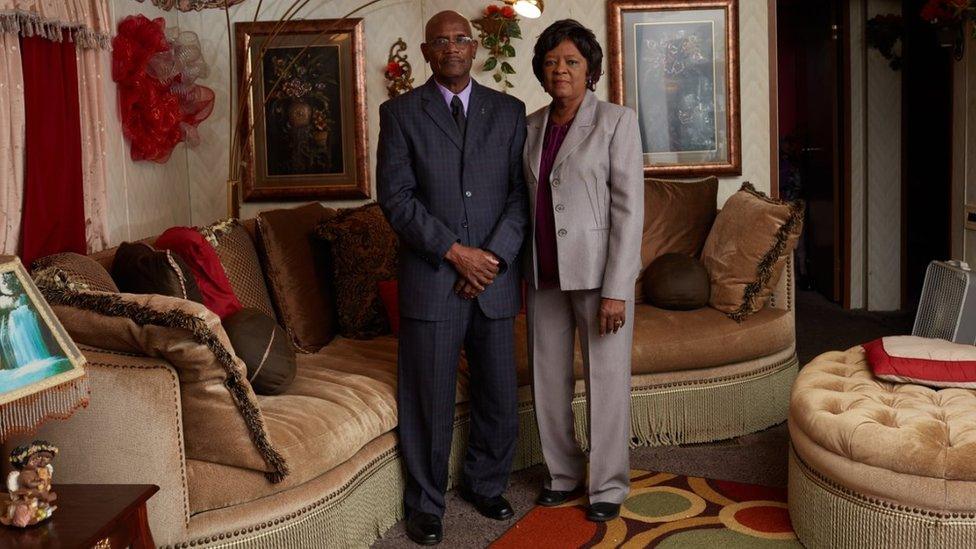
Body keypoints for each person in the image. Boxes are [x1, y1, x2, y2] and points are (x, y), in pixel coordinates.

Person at [376, 10, 528, 546]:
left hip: (495, 277)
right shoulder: (399, 114)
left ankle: (485, 484)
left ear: (475, 47)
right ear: (426, 52)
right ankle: (425, 504)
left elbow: (520, 195)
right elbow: (395, 198)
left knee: (498, 393)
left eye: (461, 38)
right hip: (433, 278)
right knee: (428, 398)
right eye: (441, 42)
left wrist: (491, 258)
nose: (453, 48)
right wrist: (455, 253)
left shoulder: (510, 112)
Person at [523, 19, 643, 522]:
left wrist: (617, 289)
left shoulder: (617, 121)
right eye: (551, 62)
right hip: (542, 274)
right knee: (547, 378)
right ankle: (561, 474)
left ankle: (608, 485)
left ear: (590, 69)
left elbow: (629, 210)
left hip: (599, 278)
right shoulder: (529, 125)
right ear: (541, 71)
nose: (561, 70)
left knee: (606, 379)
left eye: (571, 61)